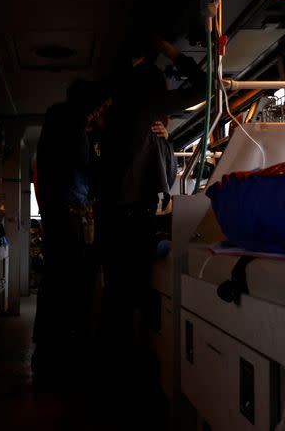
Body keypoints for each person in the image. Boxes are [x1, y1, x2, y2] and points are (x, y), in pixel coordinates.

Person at [91, 33, 204, 400]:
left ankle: (111, 379)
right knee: (135, 296)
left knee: (115, 296)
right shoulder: (148, 91)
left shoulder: (115, 100)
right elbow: (204, 87)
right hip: (135, 211)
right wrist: (171, 52)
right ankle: (133, 383)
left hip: (109, 210)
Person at [31, 79, 110, 382]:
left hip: (58, 214)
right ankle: (65, 356)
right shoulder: (73, 127)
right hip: (69, 216)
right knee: (72, 284)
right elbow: (85, 164)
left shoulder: (58, 121)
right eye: (99, 108)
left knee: (55, 284)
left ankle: (48, 354)